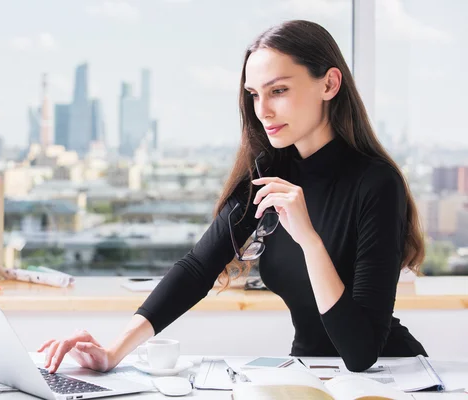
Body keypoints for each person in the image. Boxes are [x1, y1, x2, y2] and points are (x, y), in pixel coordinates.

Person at [38, 20, 428, 374]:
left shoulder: (377, 183)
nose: (264, 110)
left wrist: (308, 239)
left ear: (329, 84)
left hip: (392, 377)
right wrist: (112, 352)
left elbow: (360, 353)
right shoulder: (269, 172)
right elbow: (196, 270)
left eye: (279, 90)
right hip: (309, 371)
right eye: (255, 94)